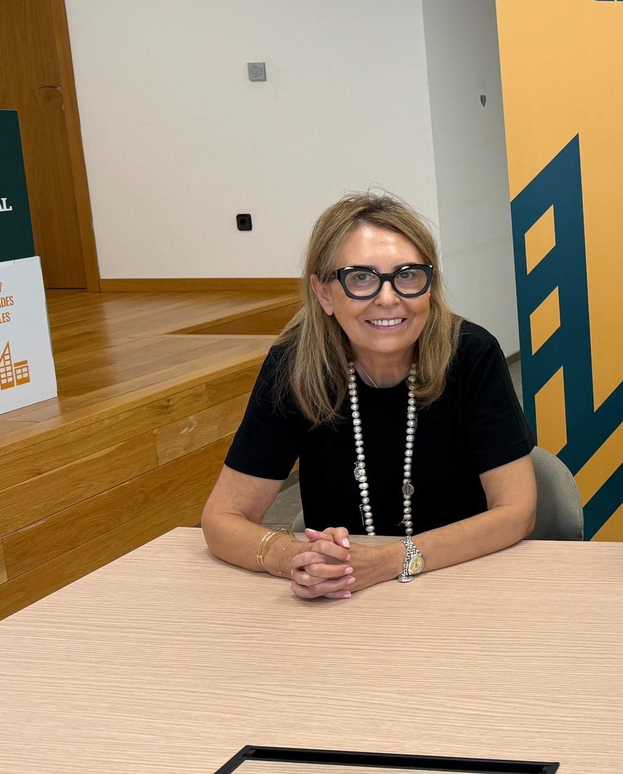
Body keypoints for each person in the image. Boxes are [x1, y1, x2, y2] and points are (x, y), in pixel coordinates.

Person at [201, 193, 537, 598]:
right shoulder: (294, 365)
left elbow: (517, 512)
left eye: (408, 275)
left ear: (429, 285)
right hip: (342, 599)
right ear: (324, 294)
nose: (388, 298)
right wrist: (297, 558)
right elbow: (222, 518)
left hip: (463, 583)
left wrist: (388, 561)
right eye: (361, 278)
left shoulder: (471, 354)